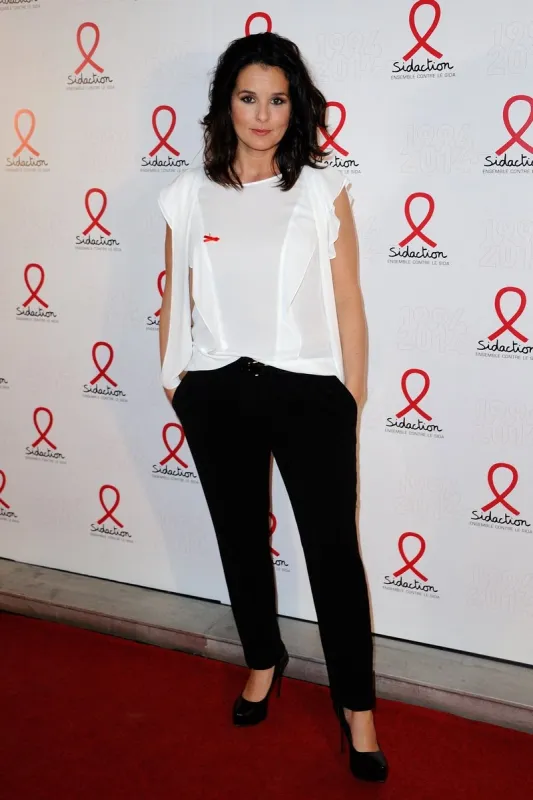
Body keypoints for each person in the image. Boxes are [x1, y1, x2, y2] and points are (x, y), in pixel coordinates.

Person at [157, 31, 388, 784]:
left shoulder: (323, 191)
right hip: (217, 387)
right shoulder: (185, 195)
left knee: (331, 554)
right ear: (226, 104)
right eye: (248, 97)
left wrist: (347, 395)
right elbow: (176, 295)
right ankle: (263, 658)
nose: (263, 114)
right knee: (238, 540)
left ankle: (357, 708)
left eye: (278, 98)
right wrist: (175, 381)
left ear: (297, 105)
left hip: (307, 390)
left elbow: (348, 300)